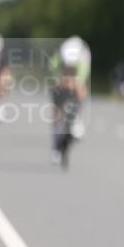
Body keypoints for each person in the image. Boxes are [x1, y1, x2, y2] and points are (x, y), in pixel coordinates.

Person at [49, 36, 91, 164]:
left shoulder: (83, 59)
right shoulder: (56, 61)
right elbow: (55, 79)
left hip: (77, 79)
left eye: (71, 66)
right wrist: (62, 82)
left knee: (81, 90)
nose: (69, 68)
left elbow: (81, 82)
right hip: (60, 81)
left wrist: (75, 83)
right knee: (57, 110)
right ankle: (56, 140)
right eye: (67, 66)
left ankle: (77, 118)